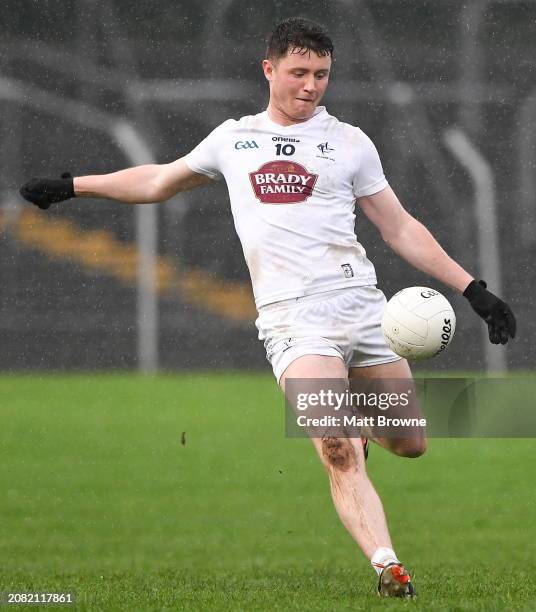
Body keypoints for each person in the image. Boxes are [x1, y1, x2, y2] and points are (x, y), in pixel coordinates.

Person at [20, 17, 516, 599]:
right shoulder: (234, 140)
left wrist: (473, 289)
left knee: (409, 443)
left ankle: (353, 428)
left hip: (362, 308)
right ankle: (388, 566)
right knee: (334, 446)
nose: (311, 85)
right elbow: (157, 180)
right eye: (299, 72)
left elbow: (400, 227)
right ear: (269, 69)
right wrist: (74, 184)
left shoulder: (351, 142)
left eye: (322, 75)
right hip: (293, 319)